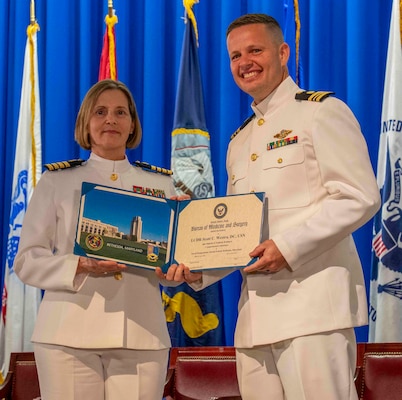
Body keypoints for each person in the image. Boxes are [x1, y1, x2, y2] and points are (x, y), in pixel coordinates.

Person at [159, 13, 381, 400]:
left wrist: (288, 246)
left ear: (283, 52)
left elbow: (360, 196)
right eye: (234, 56)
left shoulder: (320, 112)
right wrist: (194, 270)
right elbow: (236, 235)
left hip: (313, 311)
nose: (244, 62)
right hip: (255, 320)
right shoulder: (238, 142)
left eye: (255, 50)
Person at [14, 79, 181, 400]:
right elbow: (26, 260)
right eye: (100, 112)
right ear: (85, 123)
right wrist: (80, 265)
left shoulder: (161, 185)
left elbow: (172, 268)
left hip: (140, 333)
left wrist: (175, 266)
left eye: (121, 112)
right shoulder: (57, 181)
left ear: (132, 124)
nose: (110, 120)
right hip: (67, 333)